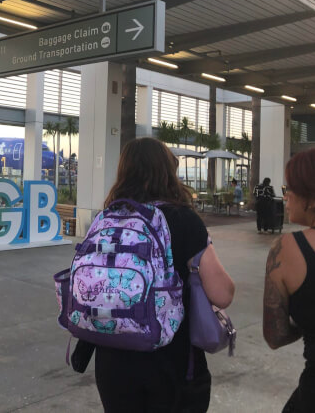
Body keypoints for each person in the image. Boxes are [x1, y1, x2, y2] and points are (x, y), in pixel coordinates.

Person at [91, 137, 235, 412]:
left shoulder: (107, 218)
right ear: (167, 171)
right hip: (170, 361)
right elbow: (222, 294)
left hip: (112, 362)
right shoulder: (183, 220)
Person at [263, 147, 315, 412]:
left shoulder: (287, 249)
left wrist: (307, 324)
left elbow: (275, 336)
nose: (285, 196)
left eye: (290, 189)